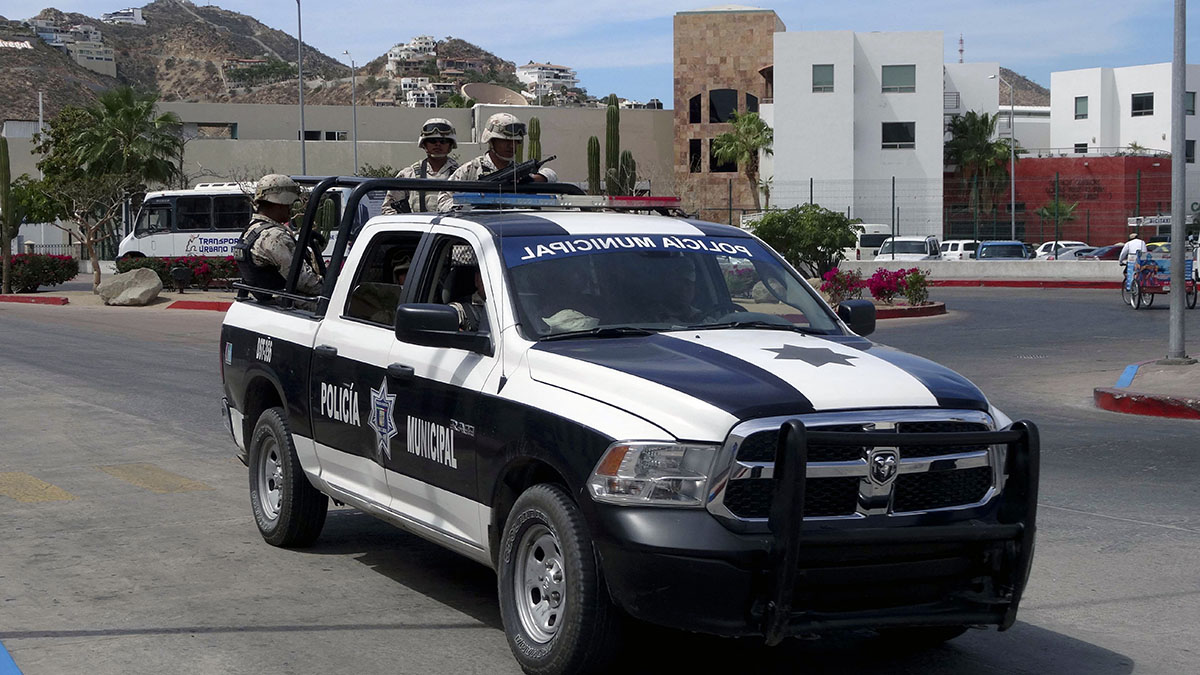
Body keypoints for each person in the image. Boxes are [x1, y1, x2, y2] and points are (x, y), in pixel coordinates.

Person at [437, 112, 555, 211]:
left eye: (516, 141)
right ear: (491, 141)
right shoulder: (471, 169)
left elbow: (552, 177)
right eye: (505, 141)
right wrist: (471, 206)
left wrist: (536, 179)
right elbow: (443, 201)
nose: (511, 146)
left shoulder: (518, 173)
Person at [233, 174, 323, 300]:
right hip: (294, 304)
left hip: (273, 303)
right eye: (289, 204)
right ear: (279, 203)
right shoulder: (275, 236)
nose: (291, 208)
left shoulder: (252, 230)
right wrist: (332, 289)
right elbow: (304, 281)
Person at [381, 118, 461, 215]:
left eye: (443, 141)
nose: (438, 144)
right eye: (432, 141)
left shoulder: (462, 175)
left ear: (451, 144)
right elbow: (388, 209)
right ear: (424, 144)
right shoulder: (409, 175)